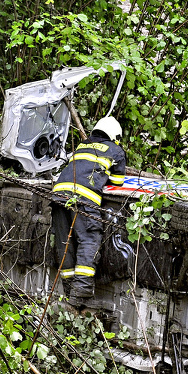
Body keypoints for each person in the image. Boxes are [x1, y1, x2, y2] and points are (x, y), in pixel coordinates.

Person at [51, 115, 127, 303]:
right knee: (89, 238)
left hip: (58, 194)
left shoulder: (82, 145)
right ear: (115, 136)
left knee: (64, 242)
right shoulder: (115, 150)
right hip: (83, 197)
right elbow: (117, 182)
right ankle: (81, 289)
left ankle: (70, 290)